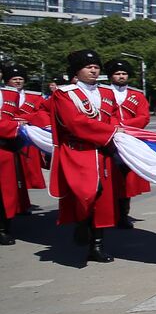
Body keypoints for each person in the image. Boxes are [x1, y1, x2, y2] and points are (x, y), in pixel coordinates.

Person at [48, 50, 120, 264]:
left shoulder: (107, 93)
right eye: (88, 66)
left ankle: (96, 245)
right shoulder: (64, 94)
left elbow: (114, 116)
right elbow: (74, 123)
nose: (93, 70)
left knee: (103, 200)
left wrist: (115, 131)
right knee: (86, 193)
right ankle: (81, 222)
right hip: (79, 151)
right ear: (76, 71)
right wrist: (109, 132)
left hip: (103, 151)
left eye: (96, 66)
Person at [104, 58, 151, 229]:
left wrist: (124, 127)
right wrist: (114, 128)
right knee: (110, 177)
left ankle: (123, 214)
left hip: (131, 140)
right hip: (109, 139)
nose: (121, 76)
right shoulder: (102, 93)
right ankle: (110, 213)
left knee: (127, 179)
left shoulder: (137, 95)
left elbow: (144, 117)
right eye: (117, 73)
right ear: (111, 76)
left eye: (124, 73)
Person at [2, 65, 47, 195]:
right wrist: (16, 121)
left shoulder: (34, 96)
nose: (18, 81)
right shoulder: (4, 94)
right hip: (10, 134)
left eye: (20, 79)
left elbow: (40, 113)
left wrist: (26, 119)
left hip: (28, 134)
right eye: (14, 79)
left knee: (28, 169)